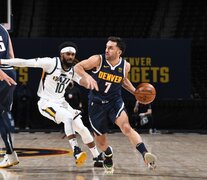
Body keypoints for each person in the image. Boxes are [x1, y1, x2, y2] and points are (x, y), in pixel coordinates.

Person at [0, 41, 102, 167]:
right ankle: (76, 150)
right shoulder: (51, 63)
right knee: (68, 118)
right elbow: (25, 62)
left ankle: (97, 157)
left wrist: (94, 82)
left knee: (82, 128)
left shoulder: (73, 70)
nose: (70, 57)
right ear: (61, 54)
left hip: (61, 103)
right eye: (68, 54)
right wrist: (3, 62)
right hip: (46, 103)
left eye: (72, 54)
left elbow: (83, 82)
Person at [74, 36, 157, 171]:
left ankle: (145, 154)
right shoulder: (98, 60)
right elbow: (78, 67)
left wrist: (136, 92)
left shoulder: (125, 66)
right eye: (106, 47)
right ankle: (108, 154)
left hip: (114, 102)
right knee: (101, 142)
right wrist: (87, 76)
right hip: (96, 104)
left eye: (111, 48)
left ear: (119, 51)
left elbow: (123, 81)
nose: (107, 50)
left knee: (126, 127)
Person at [0, 24, 19, 168]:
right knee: (3, 113)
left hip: (1, 73)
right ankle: (10, 153)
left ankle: (11, 153)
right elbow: (11, 55)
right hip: (10, 70)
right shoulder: (3, 28)